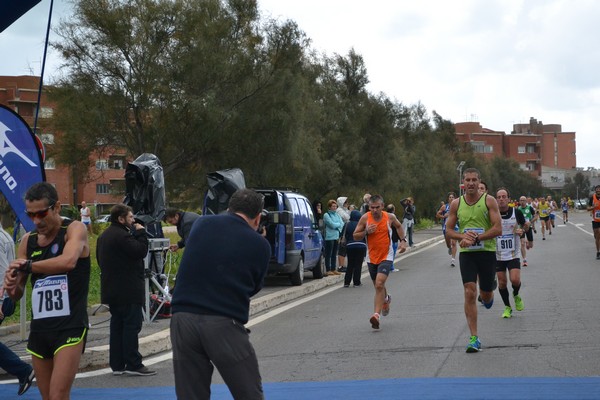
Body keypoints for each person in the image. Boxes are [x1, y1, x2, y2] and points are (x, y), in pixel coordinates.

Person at [170, 189, 271, 400]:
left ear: (229, 208)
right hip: (223, 320)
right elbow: (254, 286)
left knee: (191, 393)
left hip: (182, 317)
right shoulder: (260, 244)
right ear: (258, 217)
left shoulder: (201, 223)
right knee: (248, 390)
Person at [2, 182, 91, 399]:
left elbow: (68, 261)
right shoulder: (28, 241)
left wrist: (29, 266)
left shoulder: (73, 229)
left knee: (58, 395)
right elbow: (19, 291)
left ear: (56, 207)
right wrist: (12, 285)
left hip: (70, 326)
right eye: (30, 215)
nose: (37, 221)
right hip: (40, 329)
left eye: (42, 213)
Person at [445, 168, 502, 353]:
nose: (470, 183)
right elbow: (449, 230)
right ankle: (474, 338)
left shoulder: (489, 201)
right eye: (467, 180)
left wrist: (477, 238)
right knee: (469, 292)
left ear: (479, 182)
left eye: (474, 180)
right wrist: (463, 237)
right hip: (467, 253)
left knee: (485, 296)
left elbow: (498, 228)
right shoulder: (456, 203)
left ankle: (488, 293)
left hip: (486, 252)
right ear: (463, 182)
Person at [96, 204, 155, 376]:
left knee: (117, 327)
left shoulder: (104, 236)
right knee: (131, 326)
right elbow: (140, 251)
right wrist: (142, 233)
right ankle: (133, 363)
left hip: (111, 289)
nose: (133, 220)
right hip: (128, 289)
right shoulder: (122, 236)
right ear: (121, 219)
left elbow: (100, 260)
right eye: (130, 217)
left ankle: (117, 364)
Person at [353, 194, 407, 330]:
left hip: (386, 255)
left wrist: (403, 241)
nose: (375, 210)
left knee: (379, 284)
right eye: (372, 207)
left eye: (377, 207)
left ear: (382, 206)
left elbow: (399, 227)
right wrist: (366, 231)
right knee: (379, 286)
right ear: (369, 207)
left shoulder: (389, 217)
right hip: (371, 257)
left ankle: (376, 316)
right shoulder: (365, 218)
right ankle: (386, 299)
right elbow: (355, 236)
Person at [0, 225, 35, 396]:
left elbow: (2, 272)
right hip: (6, 297)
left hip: (2, 297)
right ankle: (23, 371)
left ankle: (23, 370)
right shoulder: (5, 235)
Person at [495, 188, 528, 319]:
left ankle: (516, 294)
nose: (501, 199)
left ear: (509, 199)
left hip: (513, 253)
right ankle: (507, 307)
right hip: (498, 254)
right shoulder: (492, 213)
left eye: (504, 196)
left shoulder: (517, 212)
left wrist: (522, 231)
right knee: (502, 283)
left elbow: (525, 226)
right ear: (496, 199)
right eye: (499, 197)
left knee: (515, 280)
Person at [343, 210, 367, 287]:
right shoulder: (362, 224)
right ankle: (356, 282)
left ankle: (347, 282)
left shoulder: (347, 224)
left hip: (350, 245)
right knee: (358, 265)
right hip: (361, 245)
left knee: (350, 264)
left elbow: (343, 235)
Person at [436, 192, 458, 267]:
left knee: (454, 243)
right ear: (448, 199)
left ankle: (453, 260)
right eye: (450, 197)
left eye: (452, 197)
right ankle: (449, 248)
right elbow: (437, 214)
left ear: (455, 198)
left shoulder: (458, 206)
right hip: (446, 227)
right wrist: (443, 216)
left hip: (455, 227)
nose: (451, 198)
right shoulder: (445, 207)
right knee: (448, 244)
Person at [323, 199, 344, 276]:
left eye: (335, 206)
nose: (334, 208)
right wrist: (338, 225)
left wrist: (337, 225)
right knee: (328, 253)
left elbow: (342, 223)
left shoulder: (337, 215)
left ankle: (333, 268)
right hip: (329, 237)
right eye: (333, 206)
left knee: (334, 253)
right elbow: (331, 224)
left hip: (336, 236)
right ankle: (328, 269)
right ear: (329, 207)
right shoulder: (326, 215)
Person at [517, 196, 537, 267]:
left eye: (523, 200)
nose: (522, 202)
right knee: (522, 243)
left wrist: (530, 222)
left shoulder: (530, 208)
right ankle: (524, 260)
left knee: (531, 245)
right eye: (521, 200)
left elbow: (536, 216)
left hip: (528, 228)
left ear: (526, 201)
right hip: (521, 228)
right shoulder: (517, 209)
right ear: (519, 201)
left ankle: (528, 243)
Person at [336, 197, 351, 272]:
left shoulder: (345, 210)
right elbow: (347, 217)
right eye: (345, 202)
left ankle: (343, 265)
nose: (347, 204)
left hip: (346, 229)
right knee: (342, 248)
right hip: (342, 230)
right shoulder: (339, 210)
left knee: (344, 248)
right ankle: (340, 266)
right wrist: (350, 212)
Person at [385, 204, 399, 271]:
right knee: (392, 253)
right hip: (393, 238)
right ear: (393, 210)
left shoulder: (384, 217)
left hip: (385, 238)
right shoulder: (393, 217)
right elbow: (398, 228)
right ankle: (391, 267)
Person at [587, 185, 600, 260]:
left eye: (599, 189)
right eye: (597, 190)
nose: (598, 191)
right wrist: (593, 207)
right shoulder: (592, 198)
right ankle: (598, 252)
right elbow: (587, 208)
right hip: (595, 220)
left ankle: (598, 252)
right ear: (595, 191)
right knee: (597, 236)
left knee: (599, 234)